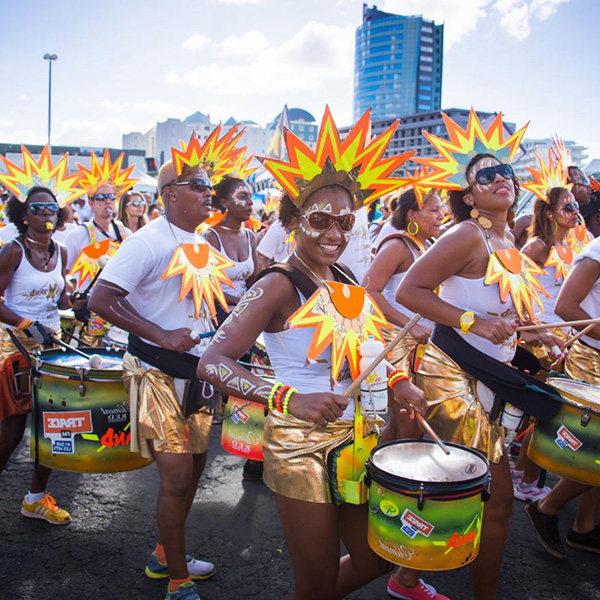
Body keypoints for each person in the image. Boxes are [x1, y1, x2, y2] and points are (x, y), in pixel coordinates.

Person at [198, 107, 441, 600]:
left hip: (355, 440)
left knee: (377, 557)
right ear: (292, 220)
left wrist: (399, 382)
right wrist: (290, 399)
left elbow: (370, 348)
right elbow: (212, 362)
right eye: (319, 219)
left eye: (344, 220)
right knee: (315, 580)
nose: (334, 231)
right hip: (299, 445)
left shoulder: (347, 279)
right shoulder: (277, 285)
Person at [397, 110, 562, 600]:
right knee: (494, 498)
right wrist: (474, 323)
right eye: (484, 175)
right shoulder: (466, 234)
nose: (499, 179)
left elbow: (501, 310)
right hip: (455, 375)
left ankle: (403, 576)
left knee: (464, 488)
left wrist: (539, 333)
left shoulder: (507, 240)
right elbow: (410, 291)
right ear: (469, 196)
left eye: (505, 171)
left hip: (492, 373)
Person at [90, 127, 250, 600]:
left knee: (196, 472)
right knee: (177, 477)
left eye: (209, 184)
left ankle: (165, 555)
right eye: (200, 185)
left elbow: (211, 299)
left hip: (197, 374)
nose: (209, 192)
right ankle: (177, 581)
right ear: (170, 194)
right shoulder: (148, 240)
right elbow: (101, 297)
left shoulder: (200, 241)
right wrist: (160, 334)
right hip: (156, 371)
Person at [0, 145, 85, 526]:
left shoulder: (62, 251)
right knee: (14, 429)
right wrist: (23, 324)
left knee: (54, 425)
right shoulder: (12, 251)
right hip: (15, 347)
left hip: (52, 348)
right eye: (37, 207)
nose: (46, 213)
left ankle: (35, 498)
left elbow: (62, 296)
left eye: (52, 207)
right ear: (22, 214)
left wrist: (78, 303)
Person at [524, 238, 600, 559]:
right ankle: (547, 506)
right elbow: (565, 306)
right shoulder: (597, 251)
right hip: (589, 361)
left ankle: (583, 527)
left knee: (595, 449)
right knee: (592, 450)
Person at [510, 157, 580, 502]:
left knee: (546, 410)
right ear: (550, 212)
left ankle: (526, 473)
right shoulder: (537, 246)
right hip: (540, 341)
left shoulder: (568, 248)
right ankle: (523, 476)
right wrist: (532, 329)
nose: (574, 211)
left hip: (561, 339)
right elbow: (513, 290)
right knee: (542, 409)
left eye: (576, 205)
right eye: (567, 206)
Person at [65, 150, 138, 346]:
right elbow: (64, 274)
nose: (107, 201)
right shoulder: (79, 234)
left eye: (111, 196)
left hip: (119, 310)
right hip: (90, 313)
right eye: (101, 197)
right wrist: (74, 298)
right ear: (90, 202)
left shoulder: (126, 234)